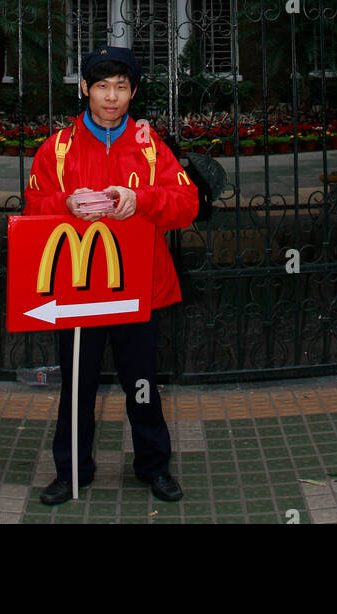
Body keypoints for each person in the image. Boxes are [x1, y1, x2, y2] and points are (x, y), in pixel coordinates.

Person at [24, 45, 199, 506]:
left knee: (141, 383)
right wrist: (65, 205)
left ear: (133, 92)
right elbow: (31, 207)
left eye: (121, 87)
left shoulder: (149, 146)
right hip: (78, 288)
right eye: (101, 85)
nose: (111, 96)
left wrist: (139, 201)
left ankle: (153, 467)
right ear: (85, 88)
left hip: (137, 290)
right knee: (76, 386)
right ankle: (71, 472)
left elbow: (187, 204)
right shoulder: (57, 149)